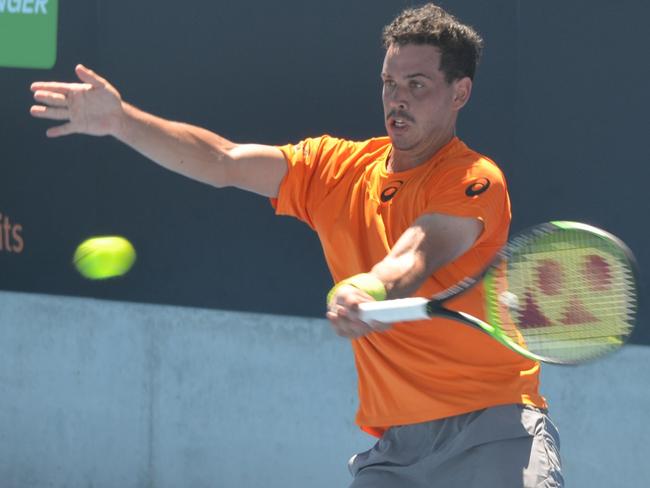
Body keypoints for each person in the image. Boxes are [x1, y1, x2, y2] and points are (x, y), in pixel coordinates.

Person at [30, 3, 563, 487]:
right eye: (388, 83)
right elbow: (222, 161)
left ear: (459, 93)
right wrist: (121, 121)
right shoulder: (333, 169)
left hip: (494, 432)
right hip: (397, 449)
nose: (397, 99)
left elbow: (418, 251)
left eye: (417, 85)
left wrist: (370, 286)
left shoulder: (475, 177)